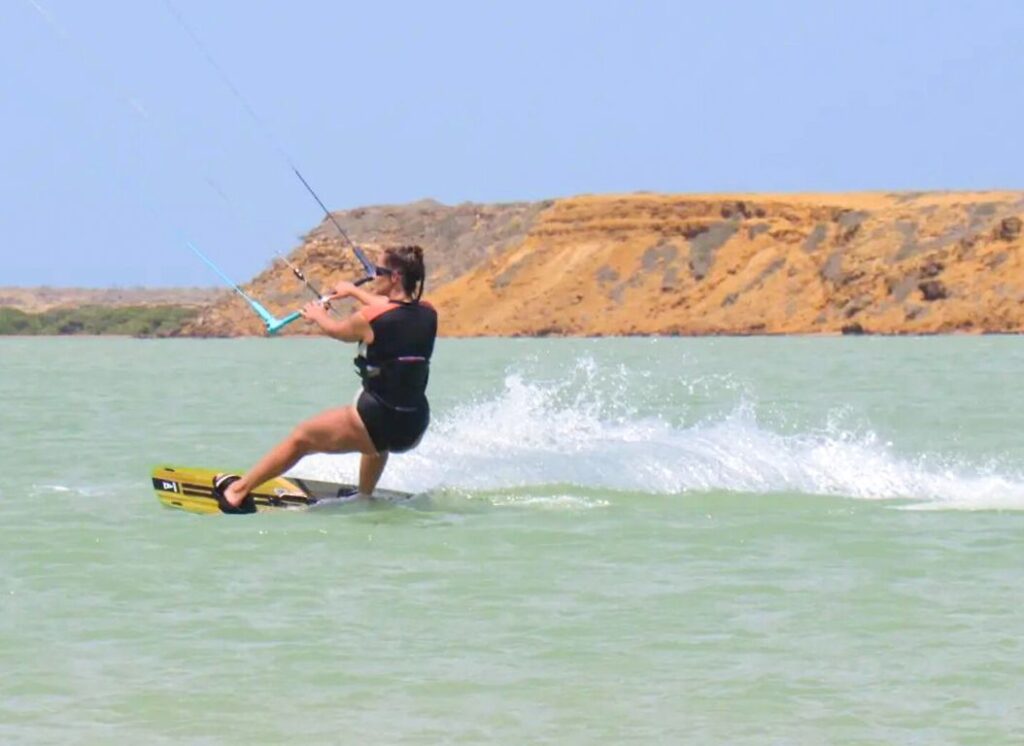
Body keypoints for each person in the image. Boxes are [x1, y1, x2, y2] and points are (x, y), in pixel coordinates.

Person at [214, 245, 437, 513]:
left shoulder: (367, 319)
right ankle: (364, 497)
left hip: (377, 418)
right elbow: (391, 308)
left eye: (378, 271)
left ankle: (236, 493)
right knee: (375, 443)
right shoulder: (428, 312)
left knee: (302, 438)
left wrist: (318, 315)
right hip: (413, 424)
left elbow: (339, 331)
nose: (373, 275)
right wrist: (353, 291)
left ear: (396, 276)